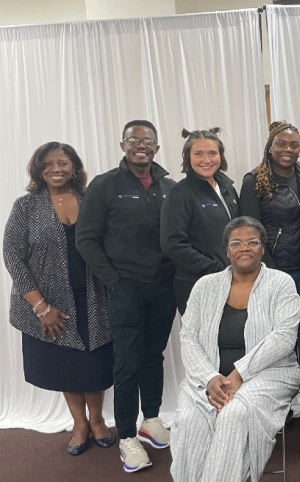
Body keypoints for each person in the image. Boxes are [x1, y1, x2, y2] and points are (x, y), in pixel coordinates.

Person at [76, 120, 177, 473]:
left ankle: (151, 418)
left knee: (153, 357)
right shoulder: (105, 186)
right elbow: (86, 240)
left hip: (163, 288)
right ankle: (128, 436)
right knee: (127, 363)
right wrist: (114, 282)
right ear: (122, 145)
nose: (141, 145)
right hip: (125, 290)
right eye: (134, 140)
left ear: (156, 148)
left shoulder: (169, 186)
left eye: (148, 140)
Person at [3, 142, 114, 456]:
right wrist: (40, 307)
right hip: (48, 303)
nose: (56, 169)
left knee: (95, 363)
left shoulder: (91, 200)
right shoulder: (25, 207)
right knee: (66, 364)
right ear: (38, 169)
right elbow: (12, 256)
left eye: (63, 162)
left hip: (94, 297)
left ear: (74, 166)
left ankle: (97, 419)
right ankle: (79, 423)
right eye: (48, 163)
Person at [170, 216, 300, 482]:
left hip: (270, 375)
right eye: (236, 243)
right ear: (227, 250)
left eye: (252, 242)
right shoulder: (204, 286)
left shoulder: (281, 283)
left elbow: (284, 338)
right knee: (191, 420)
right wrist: (210, 378)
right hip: (207, 378)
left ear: (263, 248)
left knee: (235, 413)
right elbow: (189, 337)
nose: (244, 248)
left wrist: (238, 375)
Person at [240, 120, 300, 400]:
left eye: (294, 144)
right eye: (282, 144)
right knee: (280, 337)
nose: (288, 149)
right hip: (276, 272)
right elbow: (251, 232)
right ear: (270, 146)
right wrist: (270, 270)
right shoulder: (254, 180)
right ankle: (280, 400)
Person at [161, 128, 240, 315]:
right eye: (198, 154)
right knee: (203, 343)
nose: (206, 160)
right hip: (196, 285)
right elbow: (173, 244)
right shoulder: (179, 194)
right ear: (188, 158)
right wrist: (215, 268)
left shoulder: (228, 189)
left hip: (231, 282)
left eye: (212, 153)